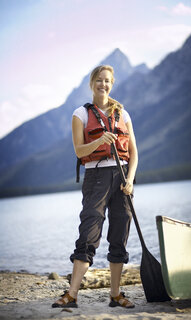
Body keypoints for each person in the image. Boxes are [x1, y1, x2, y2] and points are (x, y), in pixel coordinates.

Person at [52, 65, 138, 309]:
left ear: (112, 84)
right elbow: (79, 151)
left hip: (123, 178)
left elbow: (133, 152)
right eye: (99, 80)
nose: (103, 84)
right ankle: (72, 295)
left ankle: (115, 295)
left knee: (119, 234)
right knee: (88, 233)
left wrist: (130, 180)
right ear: (92, 84)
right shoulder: (80, 113)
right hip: (96, 177)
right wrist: (100, 139)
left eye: (108, 81)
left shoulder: (123, 113)